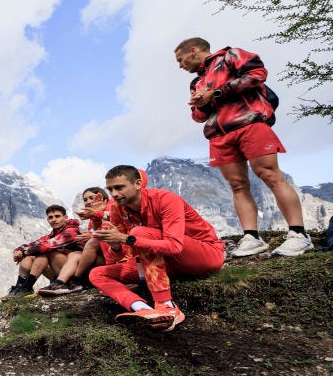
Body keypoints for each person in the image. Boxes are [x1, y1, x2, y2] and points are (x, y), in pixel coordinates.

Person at [174, 37, 313, 257]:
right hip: (219, 135)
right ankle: (252, 237)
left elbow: (257, 74)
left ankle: (299, 235)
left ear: (193, 51)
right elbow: (198, 117)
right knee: (237, 185)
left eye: (181, 60)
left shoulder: (230, 55)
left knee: (269, 174)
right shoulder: (196, 83)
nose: (180, 66)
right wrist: (200, 103)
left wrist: (216, 93)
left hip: (250, 122)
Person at [89, 165, 225, 332]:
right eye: (110, 189)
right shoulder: (118, 209)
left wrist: (126, 238)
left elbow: (174, 246)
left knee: (140, 233)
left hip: (204, 256)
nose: (114, 194)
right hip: (164, 264)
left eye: (119, 187)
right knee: (97, 274)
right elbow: (122, 255)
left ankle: (166, 305)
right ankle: (142, 309)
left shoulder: (166, 199)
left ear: (138, 184)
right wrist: (116, 245)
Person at [1, 205, 84, 301]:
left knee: (46, 251)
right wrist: (19, 250)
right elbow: (33, 244)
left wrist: (25, 252)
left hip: (76, 275)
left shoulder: (73, 230)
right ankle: (19, 287)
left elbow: (47, 245)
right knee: (30, 256)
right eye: (50, 217)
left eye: (57, 216)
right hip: (60, 271)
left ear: (65, 218)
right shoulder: (52, 234)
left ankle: (27, 287)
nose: (53, 220)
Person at [39, 187, 110, 296]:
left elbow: (108, 233)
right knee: (51, 253)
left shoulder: (112, 209)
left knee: (76, 254)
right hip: (103, 256)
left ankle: (68, 282)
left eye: (92, 198)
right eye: (85, 200)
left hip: (112, 258)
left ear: (104, 199)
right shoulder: (92, 219)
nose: (88, 202)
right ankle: (58, 283)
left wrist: (92, 235)